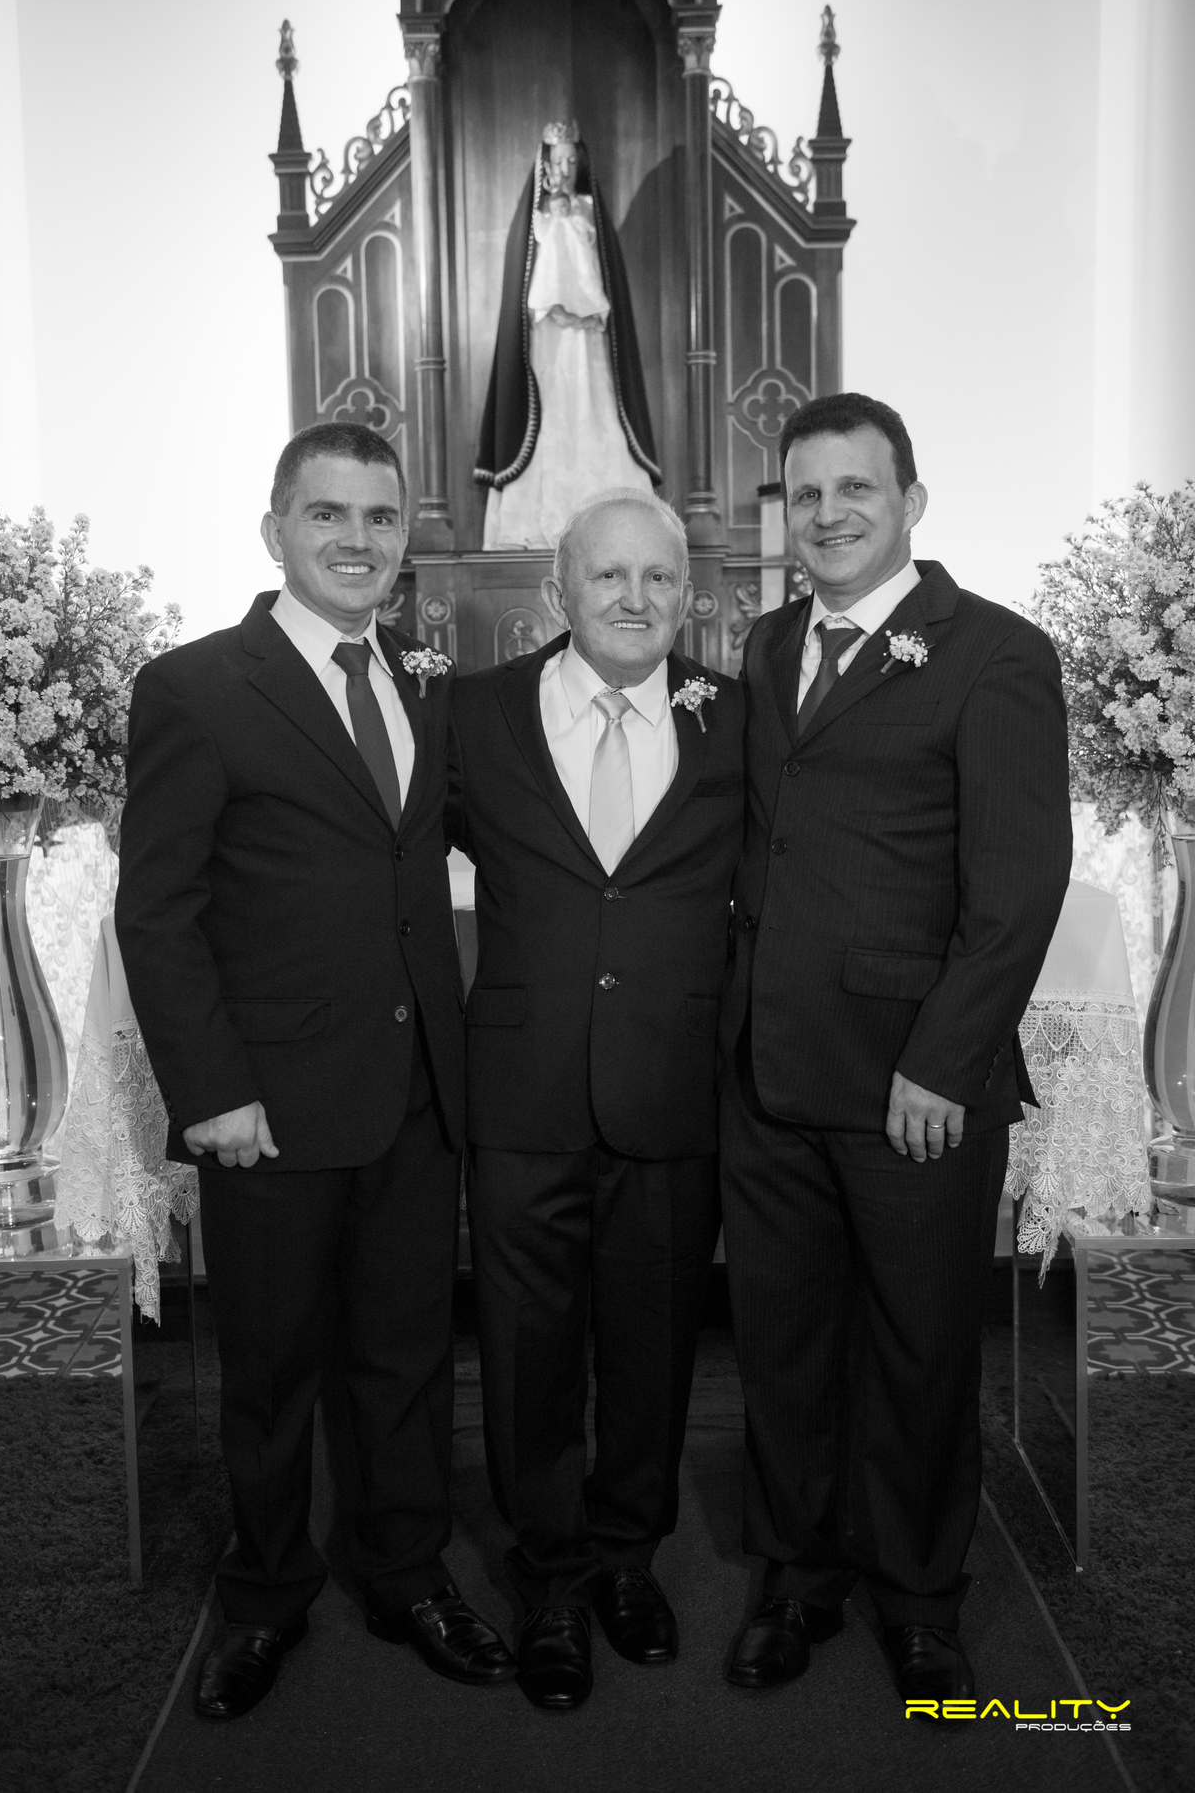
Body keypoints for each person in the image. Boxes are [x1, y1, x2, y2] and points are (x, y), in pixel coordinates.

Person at [115, 421, 515, 1721]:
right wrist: (211, 1091)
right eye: (327, 514)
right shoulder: (195, 687)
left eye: (380, 517)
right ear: (274, 529)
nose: (356, 539)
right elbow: (158, 914)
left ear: (405, 541)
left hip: (415, 1093)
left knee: (406, 1359)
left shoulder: (429, 679)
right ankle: (266, 1595)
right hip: (270, 1108)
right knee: (273, 1370)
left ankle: (405, 1574)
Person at [718, 394, 1071, 1709]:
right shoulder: (765, 646)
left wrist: (942, 1060)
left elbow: (1018, 888)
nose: (828, 515)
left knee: (920, 1352)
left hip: (912, 1083)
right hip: (769, 1074)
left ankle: (922, 1600)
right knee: (784, 1345)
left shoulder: (996, 654)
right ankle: (797, 1577)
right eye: (806, 494)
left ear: (911, 502)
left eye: (855, 490)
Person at [447, 487, 745, 1711]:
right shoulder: (471, 715)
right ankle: (552, 1581)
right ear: (557, 593)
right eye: (608, 576)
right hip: (522, 1092)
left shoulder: (736, 719)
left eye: (658, 578)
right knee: (526, 1354)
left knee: (653, 1348)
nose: (634, 598)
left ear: (689, 597)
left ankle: (629, 1558)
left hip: (672, 1092)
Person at [475, 120, 660, 548]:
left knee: (595, 416)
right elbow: (523, 284)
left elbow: (605, 277)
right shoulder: (534, 219)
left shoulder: (589, 213)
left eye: (572, 161)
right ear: (544, 165)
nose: (564, 169)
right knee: (547, 423)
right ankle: (531, 529)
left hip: (590, 342)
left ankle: (616, 530)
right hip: (544, 344)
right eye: (557, 160)